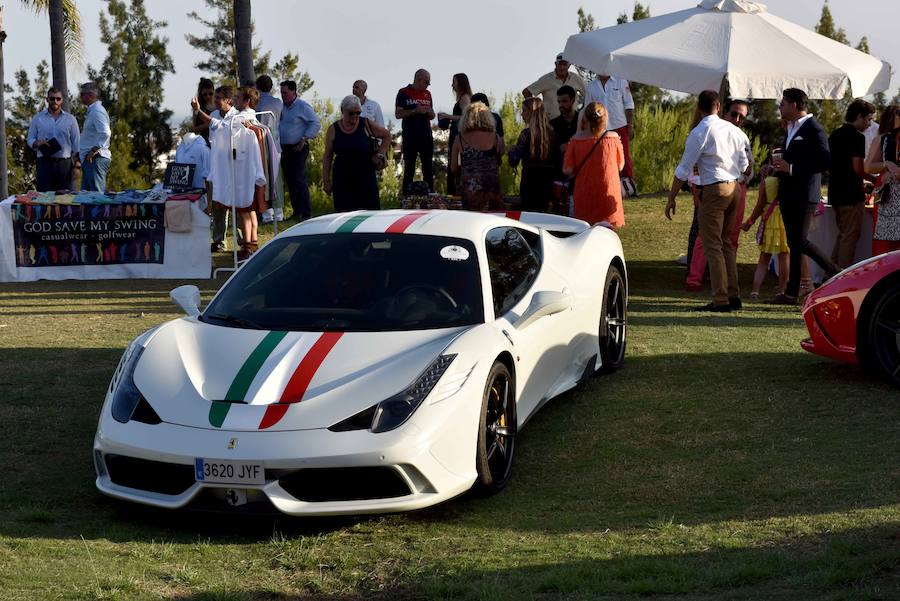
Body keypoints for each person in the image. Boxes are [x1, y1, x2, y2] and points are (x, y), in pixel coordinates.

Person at [665, 90, 750, 312]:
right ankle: (733, 295)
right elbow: (745, 165)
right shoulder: (734, 131)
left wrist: (671, 197)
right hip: (735, 188)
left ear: (699, 108)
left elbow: (683, 169)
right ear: (719, 107)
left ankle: (721, 299)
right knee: (727, 244)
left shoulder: (700, 131)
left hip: (714, 189)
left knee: (712, 245)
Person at [771, 88, 838, 305]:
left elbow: (826, 161)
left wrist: (792, 168)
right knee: (794, 243)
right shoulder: (790, 128)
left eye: (782, 103)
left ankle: (834, 271)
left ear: (794, 105)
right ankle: (791, 294)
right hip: (788, 193)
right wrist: (774, 168)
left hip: (804, 194)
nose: (779, 107)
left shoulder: (813, 128)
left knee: (799, 241)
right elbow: (790, 158)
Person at [684, 98, 754, 291]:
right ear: (723, 111)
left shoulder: (741, 136)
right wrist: (697, 186)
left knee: (730, 239)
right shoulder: (708, 130)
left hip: (736, 189)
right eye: (734, 114)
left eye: (742, 117)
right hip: (710, 187)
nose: (737, 119)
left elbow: (749, 168)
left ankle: (726, 285)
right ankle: (696, 279)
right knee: (705, 237)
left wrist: (747, 173)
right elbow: (694, 164)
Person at [828, 98, 876, 268]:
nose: (870, 124)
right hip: (851, 194)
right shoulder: (857, 137)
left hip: (835, 191)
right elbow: (858, 168)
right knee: (850, 236)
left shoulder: (834, 135)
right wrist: (873, 179)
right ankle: (840, 274)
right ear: (860, 116)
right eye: (869, 119)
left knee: (843, 234)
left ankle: (831, 270)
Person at [322, 95, 392, 212]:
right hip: (342, 177)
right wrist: (326, 181)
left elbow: (387, 135)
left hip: (365, 176)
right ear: (343, 111)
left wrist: (380, 154)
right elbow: (327, 156)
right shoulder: (333, 129)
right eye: (351, 113)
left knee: (370, 212)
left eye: (358, 113)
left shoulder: (365, 124)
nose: (355, 116)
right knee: (343, 214)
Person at [563, 102, 624, 228]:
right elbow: (620, 165)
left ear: (584, 118)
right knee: (608, 238)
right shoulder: (613, 138)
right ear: (605, 118)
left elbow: (567, 170)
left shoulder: (575, 141)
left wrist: (579, 131)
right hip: (607, 194)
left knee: (584, 236)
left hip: (584, 196)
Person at [192, 85, 237, 252]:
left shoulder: (236, 116)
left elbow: (219, 126)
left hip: (233, 166)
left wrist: (198, 111)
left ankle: (242, 239)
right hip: (218, 165)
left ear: (228, 101)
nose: (216, 101)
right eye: (215, 97)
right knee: (218, 203)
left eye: (219, 98)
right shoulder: (213, 114)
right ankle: (219, 240)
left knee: (236, 204)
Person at [741, 161, 789, 298]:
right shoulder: (789, 180)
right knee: (784, 256)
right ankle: (781, 290)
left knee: (764, 258)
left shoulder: (766, 183)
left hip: (769, 219)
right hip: (785, 219)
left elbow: (759, 205)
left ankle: (755, 290)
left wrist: (749, 222)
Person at [451, 102, 504, 212]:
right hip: (492, 190)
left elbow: (454, 168)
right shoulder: (497, 138)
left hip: (470, 191)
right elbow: (499, 161)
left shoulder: (459, 139)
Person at [279, 80, 321, 221]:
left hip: (299, 147)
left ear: (293, 92)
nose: (283, 95)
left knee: (298, 179)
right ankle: (297, 211)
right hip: (285, 148)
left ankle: (306, 212)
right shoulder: (282, 107)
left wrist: (304, 138)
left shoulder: (302, 106)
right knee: (290, 181)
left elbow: (315, 123)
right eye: (281, 93)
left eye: (285, 92)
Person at [508, 97, 557, 213]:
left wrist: (511, 151)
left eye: (524, 110)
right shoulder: (553, 135)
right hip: (548, 184)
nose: (521, 114)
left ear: (532, 112)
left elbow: (513, 161)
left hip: (529, 184)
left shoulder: (525, 135)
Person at [584, 72, 635, 182]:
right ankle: (607, 184)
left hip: (620, 126)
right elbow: (587, 109)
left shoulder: (621, 81)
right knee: (602, 158)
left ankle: (629, 186)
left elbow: (629, 104)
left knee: (624, 156)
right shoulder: (591, 86)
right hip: (599, 129)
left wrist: (630, 125)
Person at [26, 87, 80, 191]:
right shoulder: (38, 118)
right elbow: (30, 139)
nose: (55, 101)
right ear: (47, 100)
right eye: (52, 98)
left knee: (66, 199)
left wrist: (77, 167)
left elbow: (76, 144)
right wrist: (36, 143)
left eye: (58, 98)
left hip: (64, 165)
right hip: (44, 164)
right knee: (44, 198)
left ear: (62, 100)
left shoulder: (71, 120)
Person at [864, 104, 900, 255]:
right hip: (886, 192)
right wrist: (886, 165)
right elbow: (868, 167)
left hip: (890, 184)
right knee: (884, 238)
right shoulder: (882, 139)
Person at [396, 69, 435, 194]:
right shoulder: (403, 92)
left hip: (426, 135)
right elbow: (398, 113)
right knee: (409, 169)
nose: (428, 85)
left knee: (428, 168)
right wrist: (415, 111)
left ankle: (430, 196)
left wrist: (430, 113)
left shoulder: (428, 94)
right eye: (426, 82)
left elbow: (432, 114)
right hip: (410, 136)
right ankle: (406, 197)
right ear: (418, 79)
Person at [255, 74, 285, 223]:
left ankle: (267, 214)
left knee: (264, 178)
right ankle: (279, 213)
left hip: (262, 143)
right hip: (276, 143)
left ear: (257, 87)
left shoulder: (257, 103)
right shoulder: (278, 102)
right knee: (276, 178)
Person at [438, 73, 472, 196]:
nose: (452, 84)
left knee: (457, 165)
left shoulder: (464, 98)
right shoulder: (461, 98)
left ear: (460, 83)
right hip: (456, 135)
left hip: (460, 136)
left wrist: (447, 116)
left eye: (454, 82)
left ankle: (457, 194)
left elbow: (466, 116)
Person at [523, 53, 585, 120]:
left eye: (564, 64)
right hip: (550, 124)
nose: (562, 67)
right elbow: (526, 92)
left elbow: (590, 94)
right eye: (560, 64)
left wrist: (583, 113)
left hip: (572, 123)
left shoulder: (576, 79)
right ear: (555, 64)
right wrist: (535, 112)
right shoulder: (546, 79)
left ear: (569, 65)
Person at [78, 82, 112, 192]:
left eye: (82, 94)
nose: (80, 97)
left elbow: (105, 132)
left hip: (95, 159)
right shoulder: (93, 111)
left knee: (96, 197)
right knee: (87, 197)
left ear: (90, 95)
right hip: (90, 159)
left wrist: (93, 150)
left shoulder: (97, 111)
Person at [192, 78, 216, 144]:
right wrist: (210, 123)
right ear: (201, 94)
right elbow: (194, 129)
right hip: (204, 142)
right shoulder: (198, 107)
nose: (208, 96)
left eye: (210, 93)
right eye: (205, 94)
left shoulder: (219, 105)